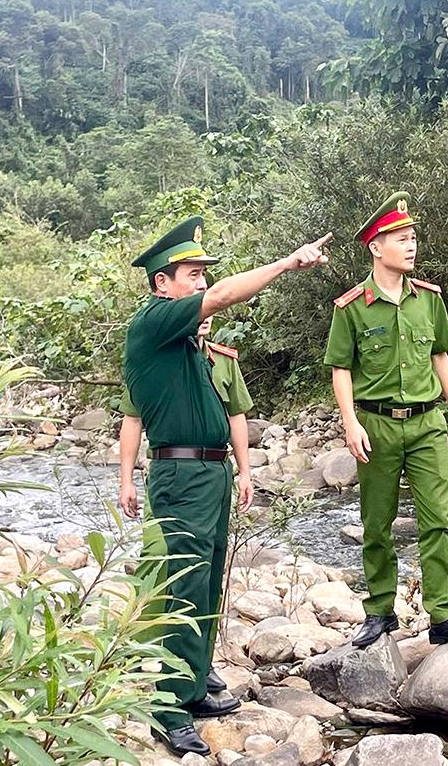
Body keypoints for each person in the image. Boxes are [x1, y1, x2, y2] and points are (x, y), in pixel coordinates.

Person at [123, 214, 329, 758]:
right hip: (181, 475)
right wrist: (287, 262)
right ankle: (168, 711)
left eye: (203, 273)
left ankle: (192, 684)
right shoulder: (153, 323)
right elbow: (224, 299)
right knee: (183, 588)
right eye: (192, 273)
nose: (202, 283)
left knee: (208, 582)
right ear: (161, 284)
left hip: (209, 474)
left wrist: (238, 469)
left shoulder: (189, 346)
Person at [324, 190, 448, 649]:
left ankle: (444, 615)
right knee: (377, 522)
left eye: (414, 236)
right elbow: (341, 369)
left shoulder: (429, 300)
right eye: (401, 237)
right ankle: (379, 611)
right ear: (377, 247)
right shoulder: (352, 306)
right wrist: (350, 422)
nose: (412, 244)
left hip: (427, 423)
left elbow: (440, 355)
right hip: (375, 424)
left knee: (439, 518)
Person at [117, 314, 253, 698]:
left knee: (209, 574)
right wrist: (126, 479)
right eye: (197, 311)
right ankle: (170, 689)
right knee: (178, 574)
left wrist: (245, 471)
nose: (204, 319)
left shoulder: (222, 359)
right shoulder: (157, 356)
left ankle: (198, 668)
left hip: (216, 468)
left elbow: (236, 415)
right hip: (176, 468)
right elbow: (133, 419)